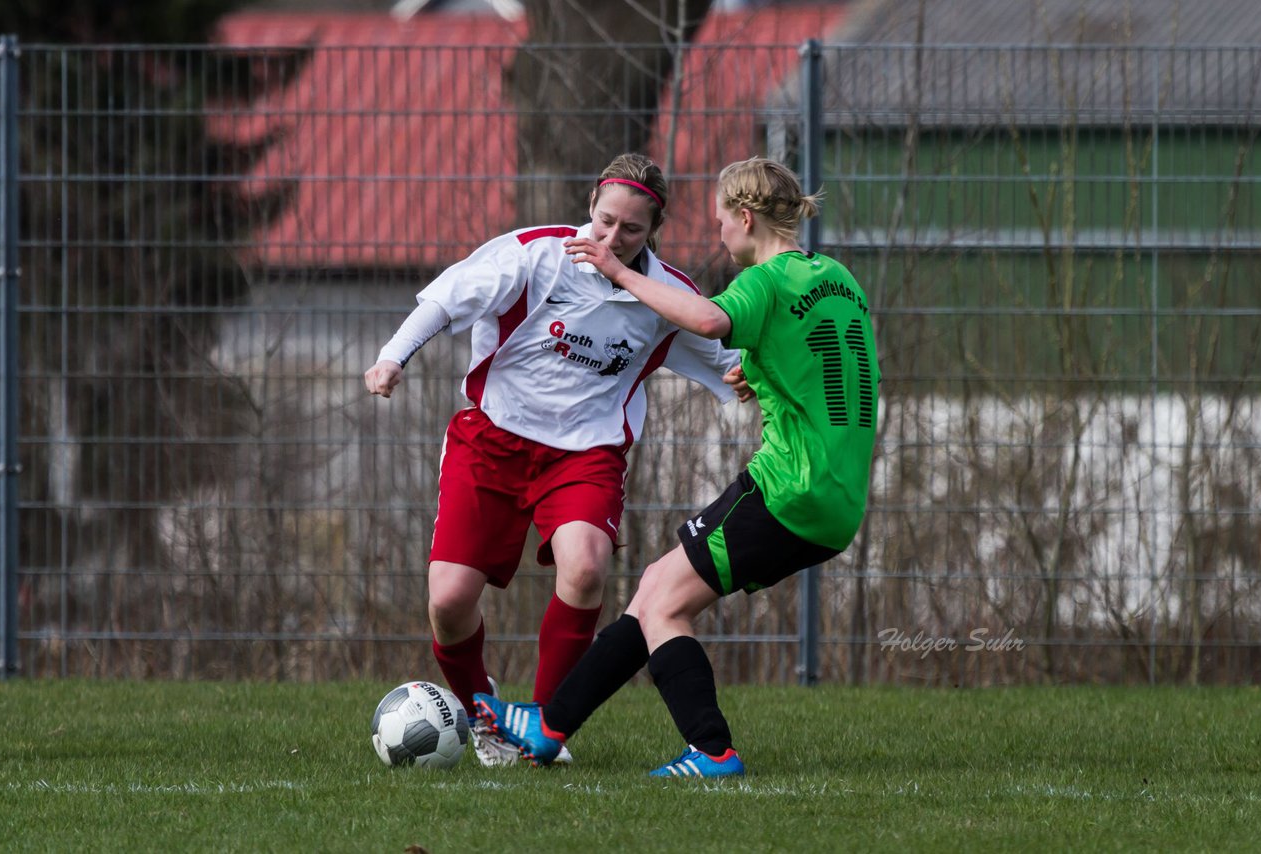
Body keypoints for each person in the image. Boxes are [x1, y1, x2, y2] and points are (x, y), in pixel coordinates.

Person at [473, 156, 880, 778]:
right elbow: (830, 362)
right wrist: (761, 371)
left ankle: (711, 749)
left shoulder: (767, 279)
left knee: (662, 603)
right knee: (655, 592)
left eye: (721, 222)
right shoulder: (838, 279)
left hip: (788, 489)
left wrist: (617, 270)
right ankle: (549, 726)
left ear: (746, 218)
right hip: (841, 497)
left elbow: (711, 319)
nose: (719, 235)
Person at [363, 153, 747, 767]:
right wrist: (392, 358)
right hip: (491, 441)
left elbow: (730, 365)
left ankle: (543, 729)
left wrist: (760, 383)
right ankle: (487, 718)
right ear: (590, 206)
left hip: (586, 456)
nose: (611, 238)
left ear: (654, 230)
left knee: (587, 566)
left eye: (631, 230)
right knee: (448, 602)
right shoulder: (531, 255)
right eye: (604, 221)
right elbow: (444, 301)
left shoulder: (666, 297)